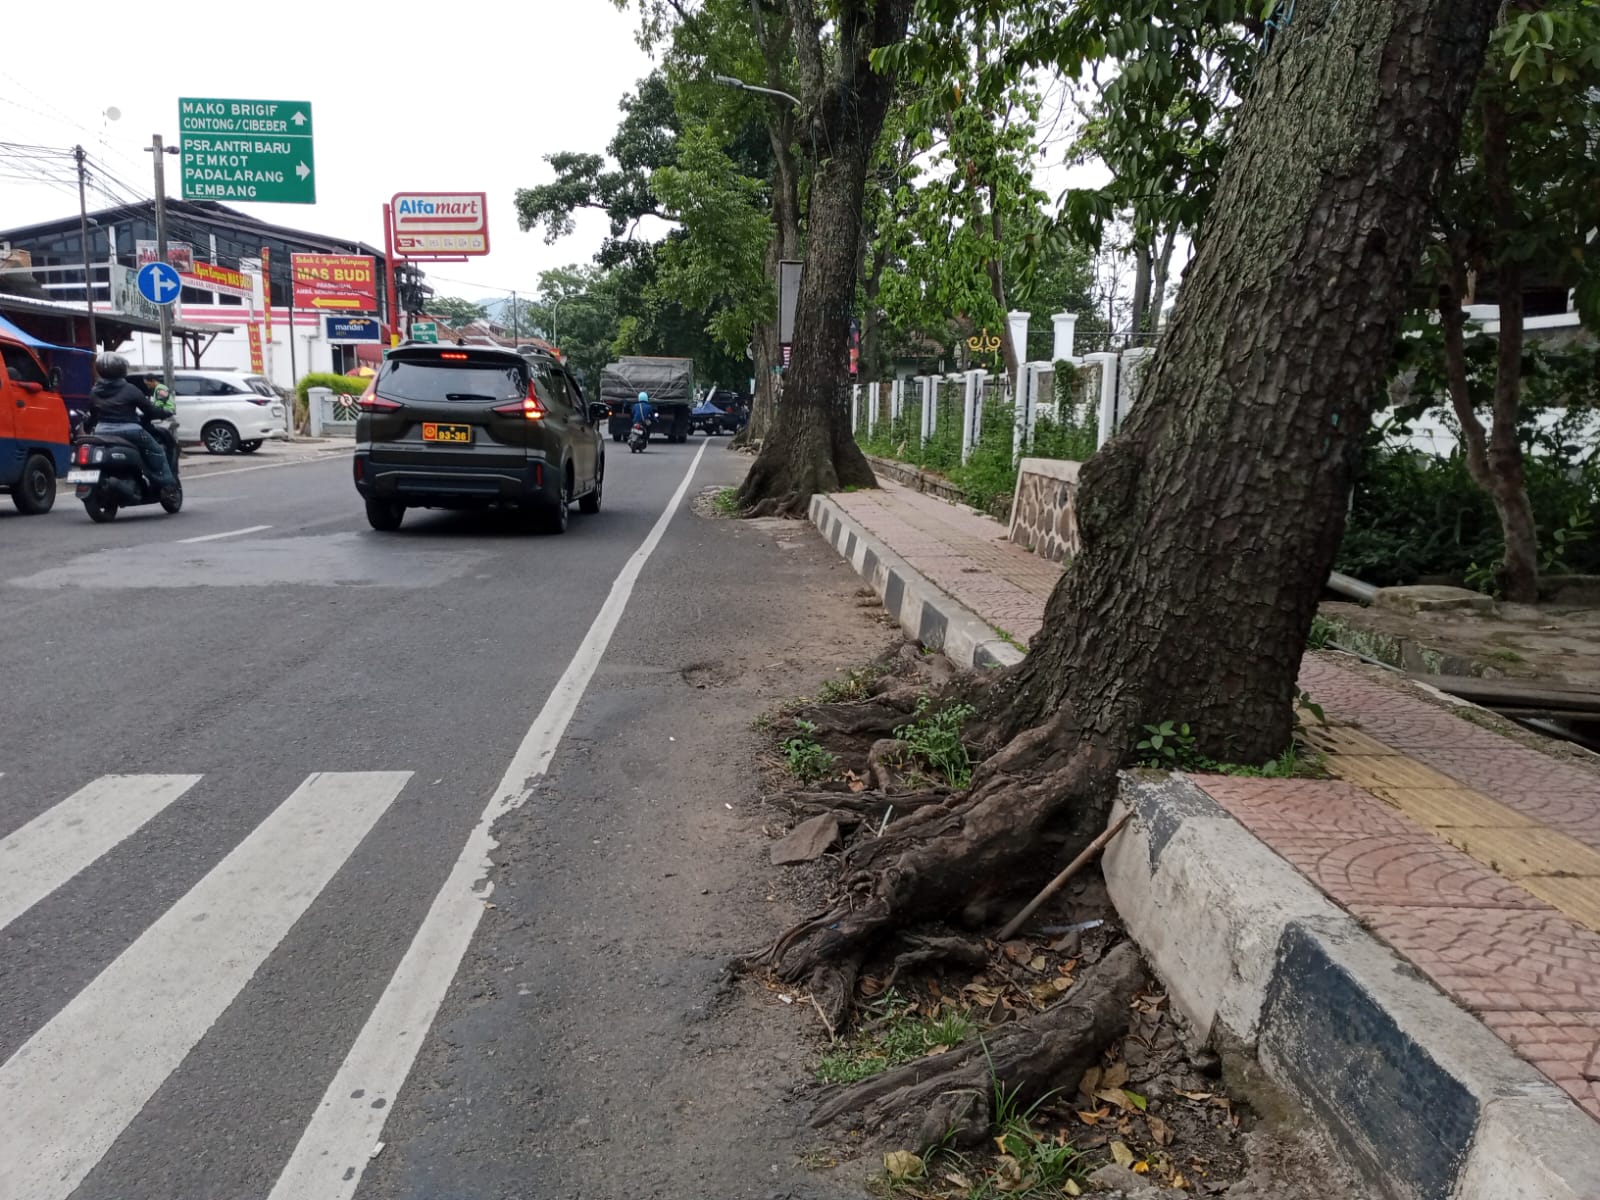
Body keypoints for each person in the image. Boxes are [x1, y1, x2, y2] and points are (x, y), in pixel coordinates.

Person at [86, 353, 176, 489]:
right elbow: (150, 410)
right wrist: (164, 412)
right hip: (130, 431)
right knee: (157, 450)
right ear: (122, 369)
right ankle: (166, 484)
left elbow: (93, 415)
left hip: (102, 432)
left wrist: (89, 429)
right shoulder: (130, 389)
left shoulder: (94, 391)